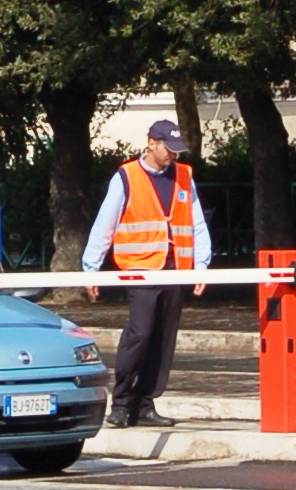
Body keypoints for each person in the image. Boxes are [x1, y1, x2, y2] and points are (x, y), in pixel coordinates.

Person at [83, 119, 212, 428]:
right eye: (169, 149)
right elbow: (106, 223)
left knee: (163, 338)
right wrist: (92, 267)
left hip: (175, 269)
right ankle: (122, 402)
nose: (173, 156)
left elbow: (196, 223)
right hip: (141, 269)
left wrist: (201, 265)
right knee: (139, 333)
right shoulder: (126, 177)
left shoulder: (184, 176)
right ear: (151, 143)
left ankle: (145, 404)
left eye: (177, 150)